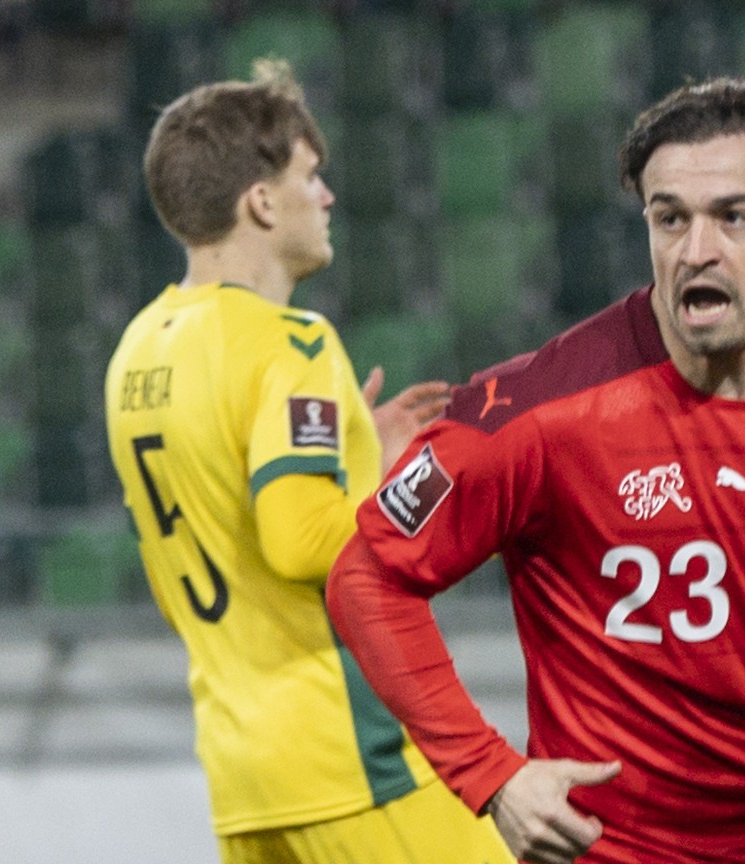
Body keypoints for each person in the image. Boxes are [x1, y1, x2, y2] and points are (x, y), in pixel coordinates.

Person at [327, 77, 745, 864]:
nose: (695, 252)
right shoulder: (538, 411)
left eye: (734, 217)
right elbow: (366, 576)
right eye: (670, 218)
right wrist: (490, 775)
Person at [103, 59, 513, 864]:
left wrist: (356, 456)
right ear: (261, 201)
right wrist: (431, 482)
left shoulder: (137, 351)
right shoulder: (291, 343)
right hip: (350, 750)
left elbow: (217, 522)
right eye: (310, 176)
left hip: (242, 765)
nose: (325, 197)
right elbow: (299, 541)